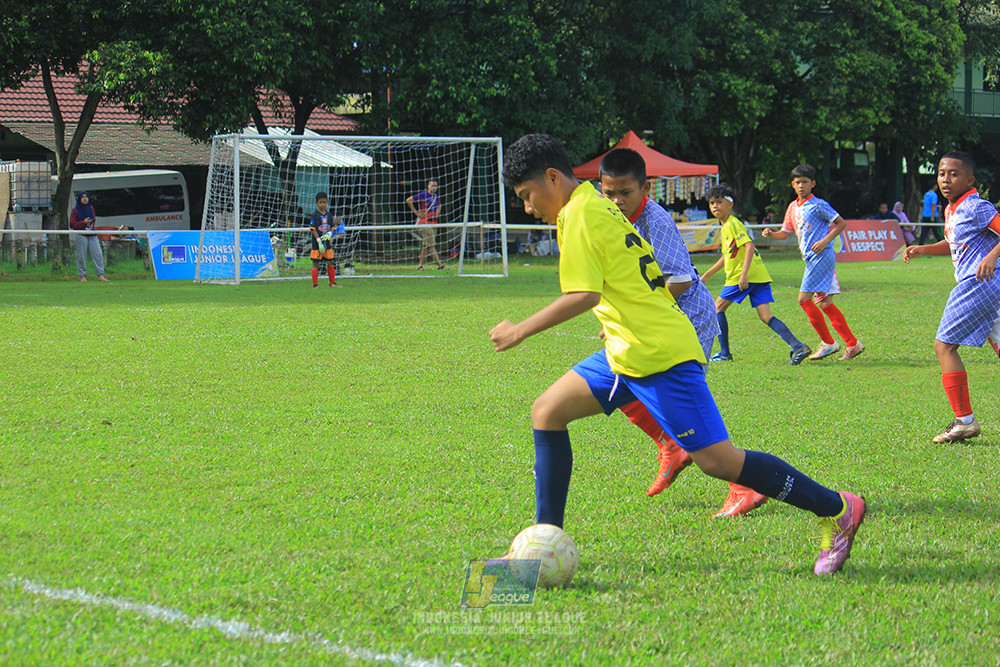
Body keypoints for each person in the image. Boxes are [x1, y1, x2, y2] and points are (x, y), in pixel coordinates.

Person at [490, 133, 866, 574]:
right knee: (547, 411)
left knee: (719, 462)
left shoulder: (580, 215)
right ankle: (543, 543)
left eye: (527, 195)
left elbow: (584, 295)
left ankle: (838, 509)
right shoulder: (593, 203)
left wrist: (520, 330)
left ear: (553, 178)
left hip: (659, 354)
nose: (528, 207)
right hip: (625, 349)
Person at [599, 149, 762, 517]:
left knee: (686, 405)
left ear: (644, 189)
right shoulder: (612, 217)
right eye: (609, 193)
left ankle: (744, 485)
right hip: (654, 322)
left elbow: (680, 279)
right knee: (616, 378)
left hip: (688, 319)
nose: (617, 200)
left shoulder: (655, 219)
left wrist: (633, 314)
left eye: (625, 193)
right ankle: (670, 445)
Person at [904, 151, 1000, 444]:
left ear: (970, 180)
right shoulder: (952, 209)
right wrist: (924, 249)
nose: (945, 179)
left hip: (978, 283)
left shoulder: (975, 206)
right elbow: (955, 243)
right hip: (989, 287)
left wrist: (991, 257)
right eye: (942, 173)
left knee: (944, 346)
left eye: (954, 174)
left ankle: (964, 421)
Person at [762, 164, 865, 361]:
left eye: (805, 182)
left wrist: (825, 241)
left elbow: (841, 223)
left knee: (803, 299)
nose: (801, 185)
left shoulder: (818, 205)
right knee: (825, 302)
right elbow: (785, 233)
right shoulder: (792, 207)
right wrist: (772, 234)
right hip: (810, 260)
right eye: (798, 182)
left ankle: (828, 343)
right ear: (792, 184)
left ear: (813, 184)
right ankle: (852, 344)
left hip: (822, 256)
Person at [700, 183, 810, 366]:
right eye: (712, 203)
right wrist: (706, 275)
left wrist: (743, 275)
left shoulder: (733, 224)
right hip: (758, 275)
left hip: (743, 275)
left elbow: (750, 246)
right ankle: (798, 346)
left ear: (730, 204)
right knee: (766, 316)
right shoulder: (726, 226)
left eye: (719, 202)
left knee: (717, 308)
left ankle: (725, 353)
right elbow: (726, 256)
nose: (715, 206)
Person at [406, 179, 447, 270]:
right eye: (432, 186)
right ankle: (440, 265)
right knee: (431, 245)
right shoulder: (423, 195)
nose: (434, 188)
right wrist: (417, 213)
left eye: (436, 186)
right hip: (425, 222)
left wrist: (437, 214)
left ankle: (420, 266)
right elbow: (409, 200)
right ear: (428, 186)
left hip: (433, 223)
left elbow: (439, 205)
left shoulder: (436, 196)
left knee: (426, 245)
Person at [69, 191, 108, 282]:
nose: (85, 199)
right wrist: (83, 223)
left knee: (98, 254)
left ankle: (101, 275)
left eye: (86, 197)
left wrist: (90, 224)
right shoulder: (75, 211)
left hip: (92, 234)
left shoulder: (91, 208)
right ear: (79, 199)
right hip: (81, 235)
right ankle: (82, 276)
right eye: (82, 197)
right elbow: (72, 224)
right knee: (81, 256)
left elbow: (93, 219)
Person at [309, 191, 344, 288]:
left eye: (324, 202)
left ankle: (332, 283)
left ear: (327, 202)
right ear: (316, 203)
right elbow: (313, 229)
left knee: (331, 262)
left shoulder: (329, 215)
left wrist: (330, 233)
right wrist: (318, 240)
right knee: (316, 262)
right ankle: (315, 284)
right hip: (317, 243)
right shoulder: (315, 215)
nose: (322, 204)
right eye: (320, 202)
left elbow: (332, 227)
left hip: (327, 243)